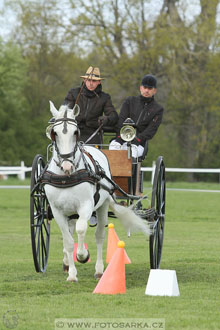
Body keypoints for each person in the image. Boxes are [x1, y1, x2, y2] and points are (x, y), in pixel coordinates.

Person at [109, 74, 164, 159]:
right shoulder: (130, 101)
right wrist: (120, 137)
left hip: (139, 144)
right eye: (145, 88)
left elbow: (151, 130)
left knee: (131, 153)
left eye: (149, 89)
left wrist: (137, 139)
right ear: (140, 88)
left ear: (154, 91)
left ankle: (129, 172)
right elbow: (121, 120)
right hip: (122, 138)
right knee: (113, 147)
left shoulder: (158, 109)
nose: (146, 91)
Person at [63, 66, 118, 144]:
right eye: (89, 80)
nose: (91, 83)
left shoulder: (105, 98)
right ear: (84, 80)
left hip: (93, 134)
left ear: (99, 82)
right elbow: (64, 112)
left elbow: (114, 116)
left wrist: (106, 119)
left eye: (94, 81)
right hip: (73, 132)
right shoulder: (73, 93)